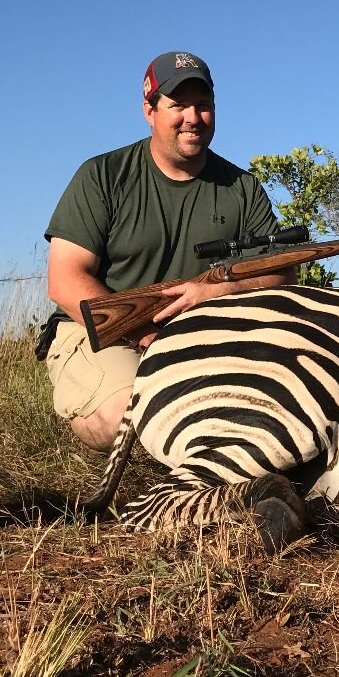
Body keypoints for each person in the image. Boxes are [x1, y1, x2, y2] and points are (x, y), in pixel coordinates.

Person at [41, 51, 293, 453]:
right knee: (131, 415)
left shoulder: (243, 187)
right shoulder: (103, 175)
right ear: (149, 110)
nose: (193, 117)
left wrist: (217, 290)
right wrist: (143, 332)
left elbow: (282, 272)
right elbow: (66, 279)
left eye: (204, 105)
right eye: (178, 105)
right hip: (103, 332)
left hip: (202, 335)